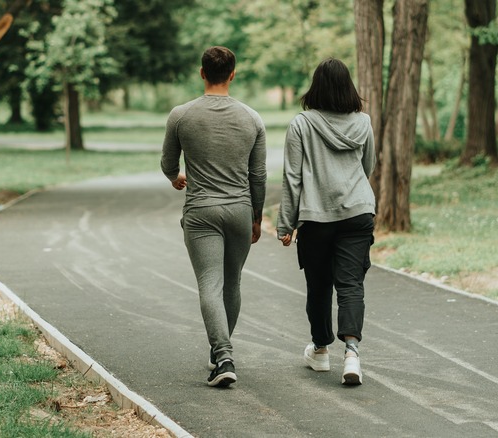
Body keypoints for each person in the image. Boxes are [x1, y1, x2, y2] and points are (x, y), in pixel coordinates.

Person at [161, 46, 266, 388]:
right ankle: (222, 352)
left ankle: (222, 354)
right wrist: (256, 217)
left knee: (210, 283)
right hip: (239, 209)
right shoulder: (252, 118)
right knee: (231, 283)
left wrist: (176, 177)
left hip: (201, 211)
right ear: (232, 74)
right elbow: (258, 175)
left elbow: (167, 163)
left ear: (202, 73)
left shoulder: (181, 115)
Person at [276, 58, 376, 386]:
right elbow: (368, 165)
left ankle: (320, 351)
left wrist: (285, 224)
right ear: (349, 87)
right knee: (350, 284)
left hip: (316, 216)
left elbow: (292, 177)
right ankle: (352, 354)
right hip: (358, 211)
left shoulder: (302, 124)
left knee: (319, 286)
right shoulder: (364, 122)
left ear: (315, 86)